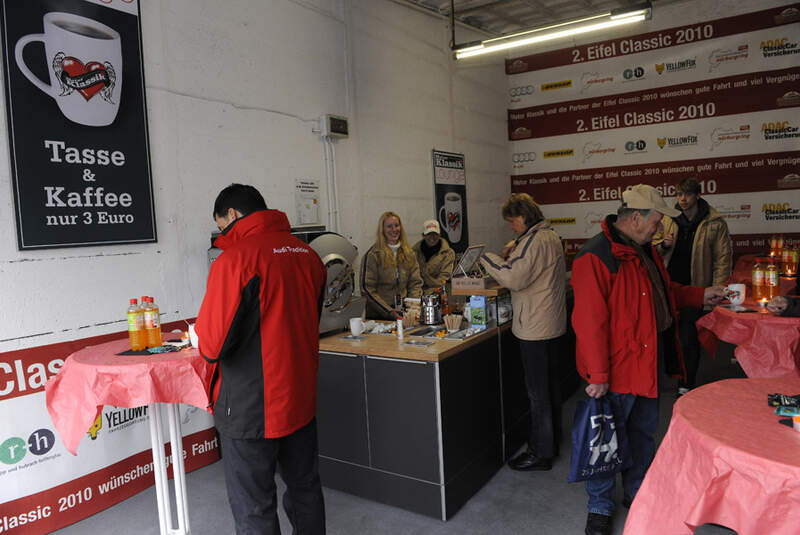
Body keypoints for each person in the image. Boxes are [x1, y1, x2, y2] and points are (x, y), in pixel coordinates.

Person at [571, 184, 725, 535]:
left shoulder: (644, 250)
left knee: (641, 432)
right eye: (657, 220)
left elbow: (663, 292)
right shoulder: (595, 257)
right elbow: (589, 323)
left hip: (648, 361)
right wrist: (597, 374)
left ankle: (638, 489)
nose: (661, 227)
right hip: (617, 368)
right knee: (606, 441)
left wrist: (702, 295)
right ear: (637, 218)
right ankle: (600, 504)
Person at [195, 184, 327, 535]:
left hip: (251, 407)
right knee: (305, 490)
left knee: (254, 506)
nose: (221, 232)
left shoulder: (235, 260)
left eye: (221, 224)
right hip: (300, 398)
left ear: (233, 216)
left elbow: (210, 346)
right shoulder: (307, 254)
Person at [479, 193, 566, 471]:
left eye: (511, 222)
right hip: (551, 324)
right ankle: (552, 441)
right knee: (550, 388)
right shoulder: (549, 235)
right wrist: (515, 248)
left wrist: (486, 258)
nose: (511, 227)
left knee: (538, 394)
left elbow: (514, 277)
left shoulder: (533, 240)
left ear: (522, 217)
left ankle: (540, 453)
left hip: (535, 328)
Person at [653, 178, 732, 395]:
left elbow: (722, 260)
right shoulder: (667, 218)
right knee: (665, 334)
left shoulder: (714, 222)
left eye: (687, 194)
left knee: (688, 338)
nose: (682, 199)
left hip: (696, 289)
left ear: (697, 195)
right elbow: (648, 248)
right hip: (667, 289)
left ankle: (685, 384)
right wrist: (663, 245)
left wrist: (717, 290)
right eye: (679, 194)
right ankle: (662, 379)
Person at [361, 211, 423, 320]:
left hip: (403, 313)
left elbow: (415, 283)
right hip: (379, 316)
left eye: (396, 225)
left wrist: (413, 307)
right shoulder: (373, 255)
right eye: (389, 226)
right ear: (382, 230)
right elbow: (367, 289)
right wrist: (389, 312)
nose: (394, 230)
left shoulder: (409, 253)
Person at [412, 219, 456, 293]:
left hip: (438, 293)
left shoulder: (448, 253)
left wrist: (424, 276)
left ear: (439, 235)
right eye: (429, 234)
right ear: (423, 235)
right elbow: (411, 279)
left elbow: (443, 281)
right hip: (416, 294)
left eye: (435, 234)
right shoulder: (414, 253)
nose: (432, 237)